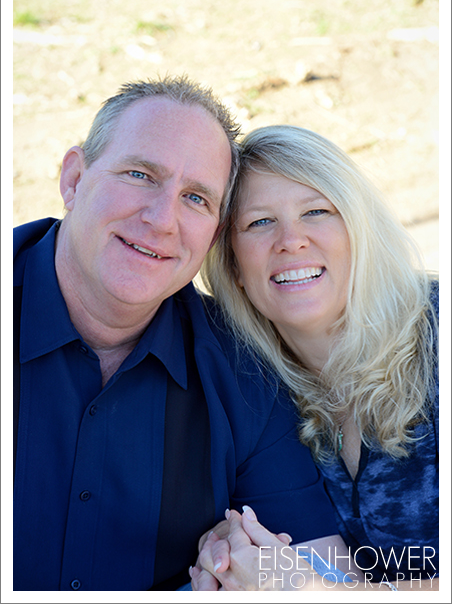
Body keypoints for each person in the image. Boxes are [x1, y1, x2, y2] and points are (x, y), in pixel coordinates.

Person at [13, 79, 350, 591]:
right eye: (140, 175)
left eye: (196, 198)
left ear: (214, 234)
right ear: (75, 179)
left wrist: (258, 571)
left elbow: (326, 573)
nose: (162, 220)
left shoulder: (244, 371)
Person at [193, 124, 439, 591]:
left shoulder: (437, 337)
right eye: (260, 222)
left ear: (358, 229)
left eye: (316, 211)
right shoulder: (257, 388)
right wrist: (234, 546)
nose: (292, 240)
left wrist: (321, 593)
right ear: (233, 265)